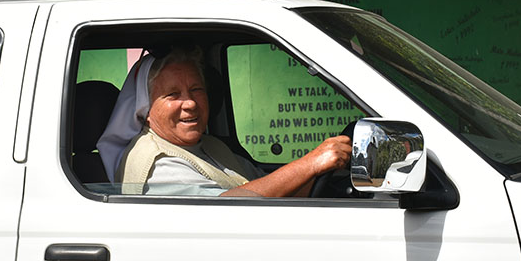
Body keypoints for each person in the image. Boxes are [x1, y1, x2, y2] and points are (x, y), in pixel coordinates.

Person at [96, 47, 351, 197]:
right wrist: (312, 163)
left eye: (196, 90)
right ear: (146, 109)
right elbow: (225, 210)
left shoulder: (210, 146)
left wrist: (321, 171)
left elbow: (271, 188)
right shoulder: (156, 163)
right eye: (173, 94)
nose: (191, 103)